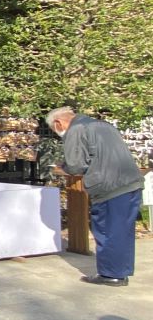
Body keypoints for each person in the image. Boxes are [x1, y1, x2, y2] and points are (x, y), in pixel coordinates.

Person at [46, 106, 143, 286]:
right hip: (132, 183)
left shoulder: (76, 130)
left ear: (58, 122)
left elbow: (75, 166)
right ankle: (121, 271)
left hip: (109, 187)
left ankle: (111, 274)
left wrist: (62, 167)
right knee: (123, 231)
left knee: (108, 230)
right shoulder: (102, 125)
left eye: (54, 129)